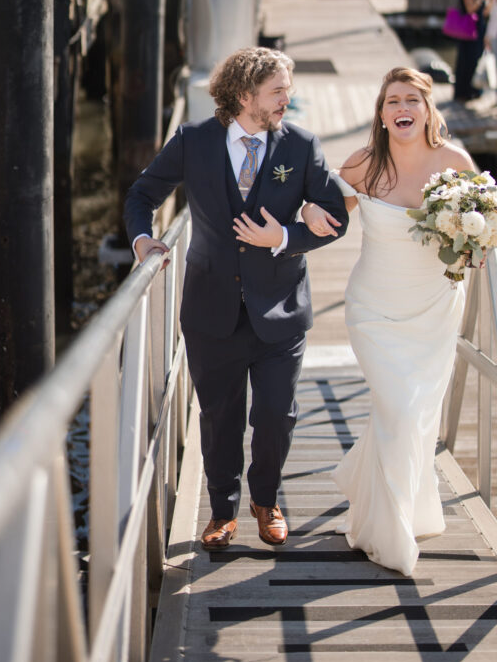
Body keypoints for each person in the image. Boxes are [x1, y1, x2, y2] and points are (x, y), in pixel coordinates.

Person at [124, 47, 349, 551]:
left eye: (287, 91)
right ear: (244, 95)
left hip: (281, 310)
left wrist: (287, 237)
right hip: (211, 311)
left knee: (276, 414)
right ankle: (222, 509)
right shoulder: (193, 141)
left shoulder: (302, 145)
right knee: (219, 416)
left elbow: (337, 215)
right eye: (278, 92)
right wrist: (143, 240)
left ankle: (265, 500)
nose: (287, 100)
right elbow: (142, 196)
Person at [301, 67, 474, 575]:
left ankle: (402, 509)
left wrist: (479, 248)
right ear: (381, 113)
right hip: (374, 310)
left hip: (434, 310)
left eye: (412, 100)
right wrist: (308, 213)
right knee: (398, 410)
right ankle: (393, 535)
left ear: (427, 110)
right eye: (393, 100)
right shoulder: (364, 165)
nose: (402, 107)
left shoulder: (453, 161)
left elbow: (481, 225)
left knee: (414, 414)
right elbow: (324, 210)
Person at [453, 0, 491, 102]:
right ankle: (463, 92)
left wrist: (489, 1)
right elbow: (470, 9)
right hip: (468, 31)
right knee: (466, 60)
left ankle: (475, 89)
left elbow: (485, 13)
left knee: (476, 59)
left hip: (479, 29)